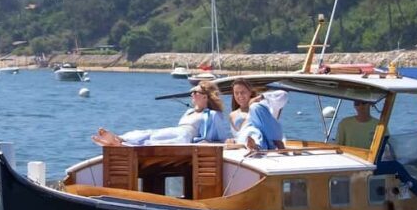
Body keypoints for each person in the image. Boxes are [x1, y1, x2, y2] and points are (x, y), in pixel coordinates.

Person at [92, 81, 229, 146]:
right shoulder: (189, 112)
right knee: (150, 133)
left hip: (184, 136)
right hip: (177, 131)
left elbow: (221, 136)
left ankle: (122, 144)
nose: (192, 94)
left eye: (195, 92)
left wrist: (227, 141)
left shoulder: (212, 114)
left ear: (205, 97)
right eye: (191, 92)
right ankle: (120, 138)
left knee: (154, 140)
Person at [227, 79, 288, 150]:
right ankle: (256, 146)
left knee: (255, 107)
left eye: (243, 92)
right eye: (236, 93)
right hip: (249, 139)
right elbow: (238, 135)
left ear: (250, 92)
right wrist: (232, 141)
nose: (239, 95)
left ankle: (272, 143)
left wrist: (260, 97)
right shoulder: (233, 115)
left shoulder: (262, 105)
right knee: (252, 131)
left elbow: (284, 95)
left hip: (271, 137)